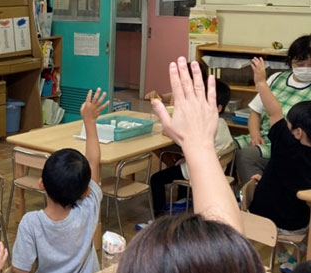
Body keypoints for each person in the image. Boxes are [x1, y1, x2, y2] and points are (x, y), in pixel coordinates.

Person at [117, 57, 265, 273]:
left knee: (158, 177)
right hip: (213, 169)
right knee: (172, 159)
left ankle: (158, 216)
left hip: (194, 170)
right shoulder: (220, 123)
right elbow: (227, 248)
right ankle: (180, 199)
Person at [12, 88, 109, 273]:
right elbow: (93, 162)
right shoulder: (89, 206)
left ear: (41, 184)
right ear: (86, 191)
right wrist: (90, 121)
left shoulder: (31, 223)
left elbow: (19, 270)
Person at [247, 57, 311, 271]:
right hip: (299, 224)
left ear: (298, 132)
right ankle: (288, 258)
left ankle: (280, 255)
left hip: (266, 217)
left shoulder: (286, 144)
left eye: (290, 125)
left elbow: (274, 112)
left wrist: (262, 82)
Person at [150, 80, 233, 217]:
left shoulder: (203, 125)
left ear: (218, 108)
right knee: (177, 159)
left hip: (198, 170)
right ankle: (183, 200)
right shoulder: (222, 122)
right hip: (216, 167)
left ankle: (159, 218)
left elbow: (171, 133)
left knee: (156, 179)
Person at [235, 35, 311, 184]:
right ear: (291, 61)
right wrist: (255, 135)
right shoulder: (276, 78)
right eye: (300, 63)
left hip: (292, 146)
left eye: (310, 64)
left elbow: (275, 114)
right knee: (223, 148)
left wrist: (261, 83)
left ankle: (255, 200)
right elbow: (255, 113)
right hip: (264, 137)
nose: (306, 69)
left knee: (247, 155)